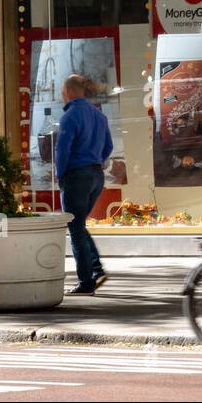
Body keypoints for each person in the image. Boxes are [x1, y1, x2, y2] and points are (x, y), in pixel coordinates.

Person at [56, 73, 113, 295]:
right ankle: (97, 270)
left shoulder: (70, 116)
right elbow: (108, 147)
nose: (63, 97)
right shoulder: (99, 116)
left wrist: (61, 176)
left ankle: (86, 282)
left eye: (63, 93)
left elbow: (62, 149)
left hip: (76, 176)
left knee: (75, 228)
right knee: (79, 224)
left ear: (69, 92)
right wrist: (97, 161)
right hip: (96, 176)